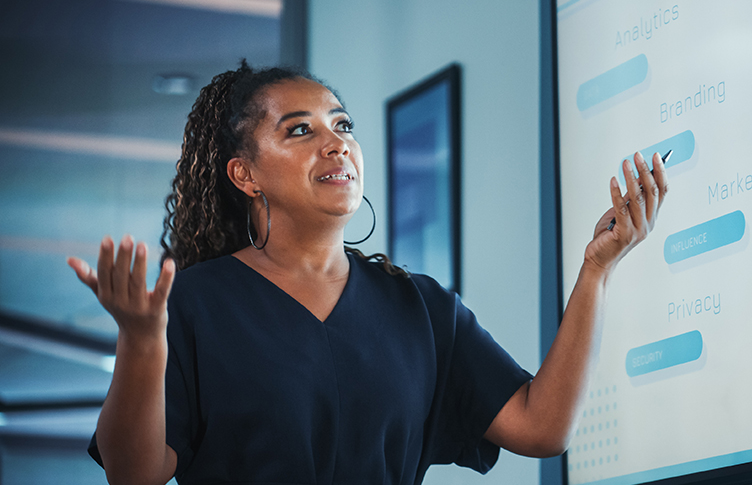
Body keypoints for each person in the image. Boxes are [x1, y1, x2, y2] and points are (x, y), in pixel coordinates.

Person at [65, 62, 668, 485]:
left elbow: (542, 428)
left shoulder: (421, 308)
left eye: (343, 126)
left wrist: (596, 271)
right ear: (246, 176)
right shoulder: (197, 301)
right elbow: (135, 473)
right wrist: (142, 342)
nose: (336, 144)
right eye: (300, 130)